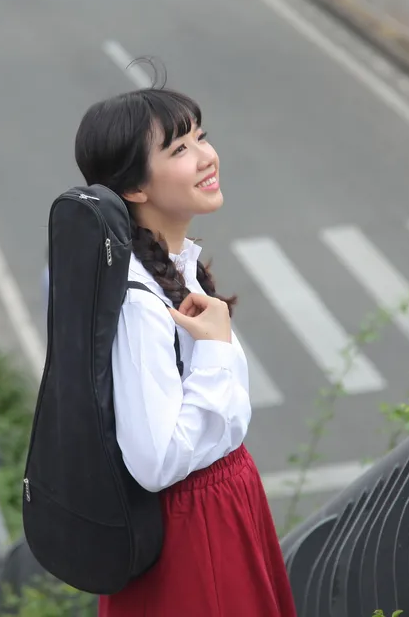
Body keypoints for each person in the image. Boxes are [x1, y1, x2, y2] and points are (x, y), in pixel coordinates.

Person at [73, 86, 296, 616]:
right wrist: (215, 352)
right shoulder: (139, 303)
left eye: (201, 137)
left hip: (219, 512)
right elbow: (154, 462)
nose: (206, 156)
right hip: (193, 536)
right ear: (134, 187)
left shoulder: (173, 269)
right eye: (178, 149)